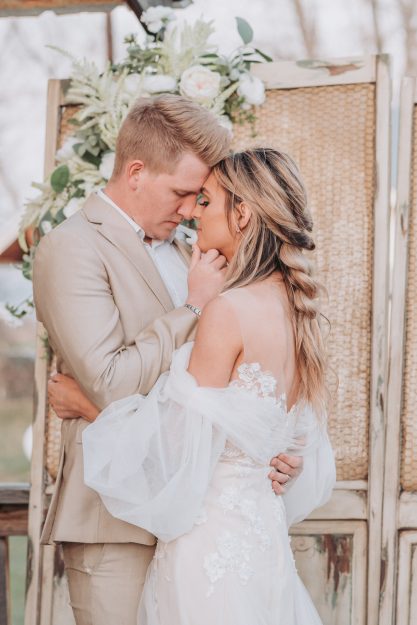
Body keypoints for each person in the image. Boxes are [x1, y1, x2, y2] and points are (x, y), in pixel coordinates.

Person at [34, 96, 301, 625]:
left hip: (199, 523)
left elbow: (227, 379)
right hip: (114, 525)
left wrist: (261, 446)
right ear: (136, 172)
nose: (187, 211)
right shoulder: (72, 249)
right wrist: (193, 307)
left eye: (199, 198)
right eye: (182, 193)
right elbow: (110, 383)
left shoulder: (191, 251)